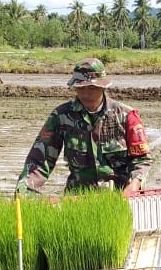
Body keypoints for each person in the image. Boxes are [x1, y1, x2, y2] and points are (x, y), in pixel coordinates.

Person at [16, 57, 151, 195]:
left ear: (103, 87)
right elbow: (39, 159)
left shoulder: (126, 116)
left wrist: (134, 185)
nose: (86, 94)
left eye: (92, 88)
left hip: (119, 196)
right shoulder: (61, 116)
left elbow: (142, 159)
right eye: (81, 88)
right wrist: (24, 188)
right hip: (78, 197)